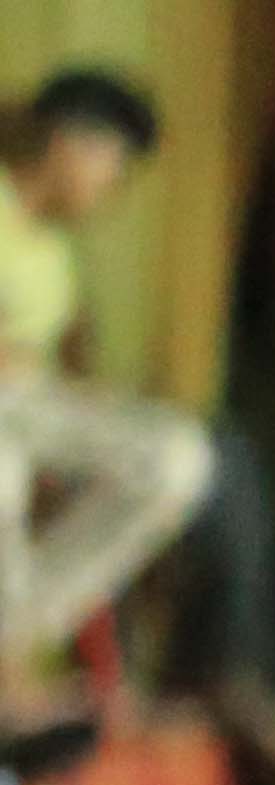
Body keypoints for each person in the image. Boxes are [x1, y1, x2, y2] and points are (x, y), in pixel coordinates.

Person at [0, 67, 209, 724]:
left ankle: (17, 632)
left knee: (175, 458)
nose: (111, 186)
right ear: (69, 142)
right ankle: (7, 675)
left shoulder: (57, 254)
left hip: (25, 402)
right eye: (110, 164)